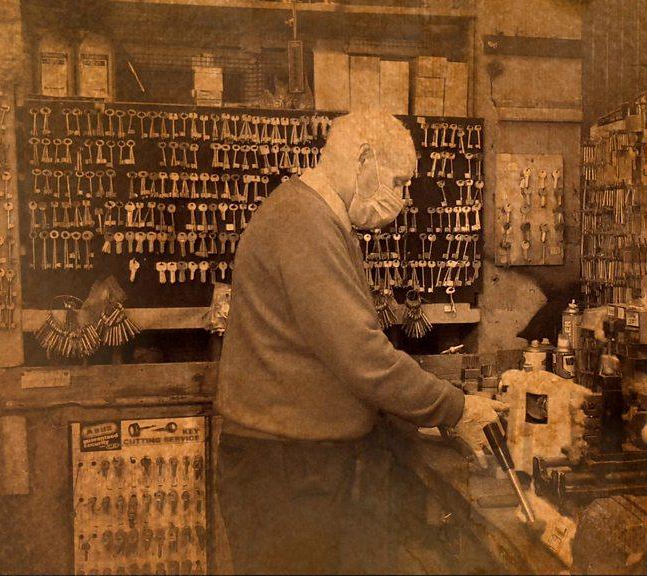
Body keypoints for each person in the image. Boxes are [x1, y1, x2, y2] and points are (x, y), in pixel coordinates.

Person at [215, 111, 506, 574]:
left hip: (297, 463)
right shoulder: (303, 222)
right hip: (286, 471)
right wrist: (457, 409)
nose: (403, 198)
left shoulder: (319, 219)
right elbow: (362, 357)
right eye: (397, 180)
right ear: (364, 159)